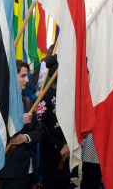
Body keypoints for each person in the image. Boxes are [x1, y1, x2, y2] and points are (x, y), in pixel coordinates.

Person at [0, 60, 41, 188]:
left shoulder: (27, 102)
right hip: (10, 168)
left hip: (28, 167)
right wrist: (17, 122)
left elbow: (38, 131)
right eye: (22, 76)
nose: (27, 80)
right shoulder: (0, 103)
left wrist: (25, 138)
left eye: (27, 76)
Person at [36, 57, 73, 189]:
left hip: (68, 151)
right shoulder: (46, 97)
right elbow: (39, 126)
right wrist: (58, 146)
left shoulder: (70, 95)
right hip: (52, 154)